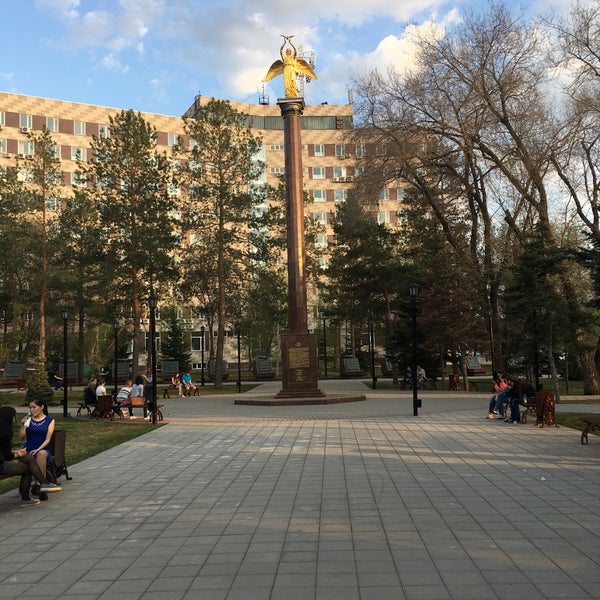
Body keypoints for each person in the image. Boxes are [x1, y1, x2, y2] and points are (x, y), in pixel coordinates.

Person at [0, 407, 60, 507]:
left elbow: (4, 450)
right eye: (14, 417)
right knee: (28, 468)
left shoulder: (2, 431)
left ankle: (42, 484)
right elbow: (8, 456)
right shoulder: (4, 434)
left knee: (28, 460)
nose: (14, 419)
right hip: (1, 465)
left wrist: (16, 451)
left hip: (2, 460)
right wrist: (18, 455)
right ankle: (31, 494)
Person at [18, 398, 60, 501]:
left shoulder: (49, 420)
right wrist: (23, 425)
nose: (31, 410)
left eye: (34, 407)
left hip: (42, 447)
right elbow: (21, 437)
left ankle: (38, 485)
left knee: (41, 454)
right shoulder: (28, 419)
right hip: (29, 447)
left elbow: (48, 439)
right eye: (30, 408)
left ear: (41, 407)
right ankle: (42, 487)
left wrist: (38, 449)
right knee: (28, 456)